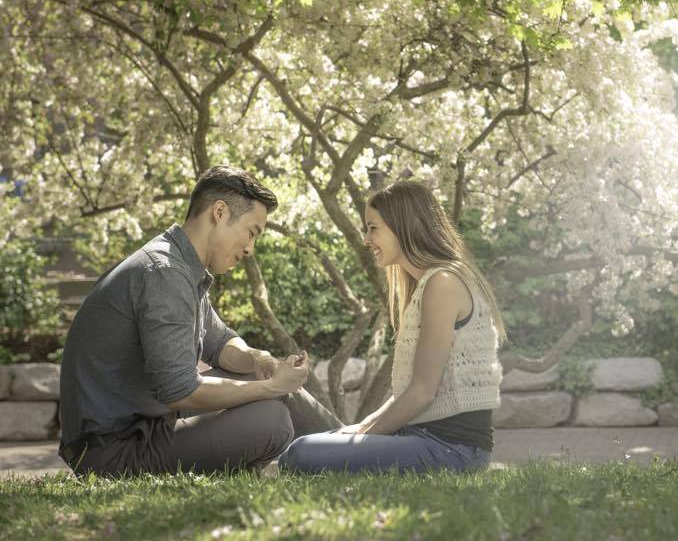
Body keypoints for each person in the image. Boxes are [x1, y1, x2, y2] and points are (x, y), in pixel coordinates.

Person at [58, 166, 341, 476]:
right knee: (270, 420)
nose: (250, 248)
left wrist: (259, 360)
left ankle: (354, 448)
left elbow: (219, 343)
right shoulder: (164, 273)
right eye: (251, 232)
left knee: (272, 391)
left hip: (145, 432)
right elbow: (181, 391)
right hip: (113, 453)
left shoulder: (178, 266)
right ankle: (355, 452)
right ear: (219, 212)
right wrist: (270, 387)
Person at [278, 180, 505, 474]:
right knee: (306, 446)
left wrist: (360, 439)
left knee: (301, 453)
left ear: (405, 226)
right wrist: (357, 430)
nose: (366, 239)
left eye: (374, 228)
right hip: (421, 437)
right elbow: (407, 396)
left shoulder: (443, 283)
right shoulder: (427, 284)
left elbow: (422, 392)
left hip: (453, 450)